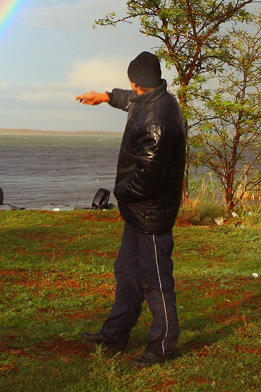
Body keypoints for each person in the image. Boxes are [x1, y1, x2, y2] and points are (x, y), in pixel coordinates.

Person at [75, 51, 186, 369]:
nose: (130, 90)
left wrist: (119, 192)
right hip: (138, 212)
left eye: (131, 85)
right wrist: (106, 96)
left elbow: (148, 178)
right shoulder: (152, 97)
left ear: (139, 83)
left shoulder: (158, 119)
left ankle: (162, 347)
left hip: (151, 213)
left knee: (156, 281)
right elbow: (130, 100)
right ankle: (115, 334)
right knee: (127, 273)